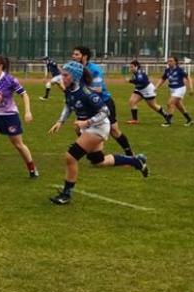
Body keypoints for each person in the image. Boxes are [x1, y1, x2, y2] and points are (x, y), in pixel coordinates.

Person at [47, 61, 149, 205]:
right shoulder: (70, 90)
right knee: (98, 161)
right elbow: (69, 105)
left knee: (71, 157)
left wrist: (86, 122)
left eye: (65, 75)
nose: (62, 77)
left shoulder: (87, 93)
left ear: (75, 76)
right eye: (62, 74)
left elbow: (105, 111)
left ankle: (66, 194)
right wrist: (60, 121)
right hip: (89, 127)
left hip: (98, 127)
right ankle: (135, 161)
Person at [0, 55, 38, 178]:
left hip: (9, 115)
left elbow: (24, 95)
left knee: (18, 144)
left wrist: (27, 112)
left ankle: (32, 168)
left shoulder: (10, 79)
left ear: (1, 66)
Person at [70, 46, 136, 157]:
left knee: (114, 131)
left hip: (104, 102)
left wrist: (81, 90)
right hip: (89, 104)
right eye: (73, 54)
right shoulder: (76, 69)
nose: (73, 56)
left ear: (84, 56)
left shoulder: (94, 69)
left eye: (76, 54)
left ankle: (130, 155)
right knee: (78, 127)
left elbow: (98, 89)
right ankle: (92, 151)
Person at [126, 59, 170, 125]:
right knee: (132, 101)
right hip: (139, 89)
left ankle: (166, 116)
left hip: (147, 90)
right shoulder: (135, 73)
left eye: (132, 67)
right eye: (130, 67)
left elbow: (141, 81)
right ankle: (135, 120)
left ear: (137, 66)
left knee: (153, 106)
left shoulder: (140, 73)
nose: (131, 68)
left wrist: (130, 81)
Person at [161, 55, 193, 126]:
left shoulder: (179, 70)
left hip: (180, 89)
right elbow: (162, 79)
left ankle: (168, 121)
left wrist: (191, 88)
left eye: (171, 61)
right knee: (179, 106)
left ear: (175, 62)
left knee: (170, 103)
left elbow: (189, 78)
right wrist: (156, 87)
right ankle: (189, 120)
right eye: (168, 61)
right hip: (172, 90)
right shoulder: (167, 70)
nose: (169, 62)